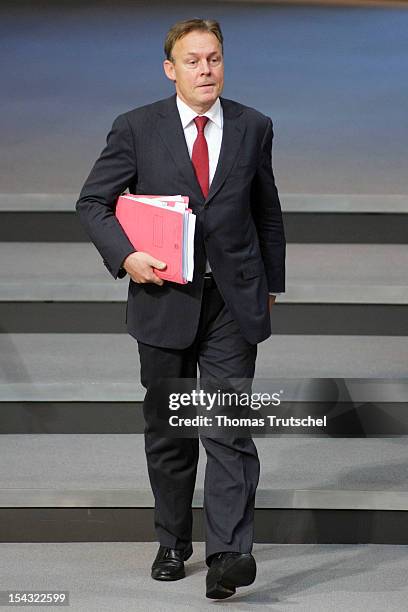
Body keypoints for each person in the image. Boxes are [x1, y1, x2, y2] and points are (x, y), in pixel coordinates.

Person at [76, 18, 285, 600]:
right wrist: (126, 257)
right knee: (170, 430)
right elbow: (94, 202)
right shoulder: (137, 128)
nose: (205, 70)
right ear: (171, 69)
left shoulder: (253, 125)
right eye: (192, 61)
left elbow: (266, 209)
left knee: (228, 428)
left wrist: (271, 283)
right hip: (164, 296)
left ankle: (229, 554)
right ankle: (173, 540)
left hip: (232, 301)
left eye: (213, 58)